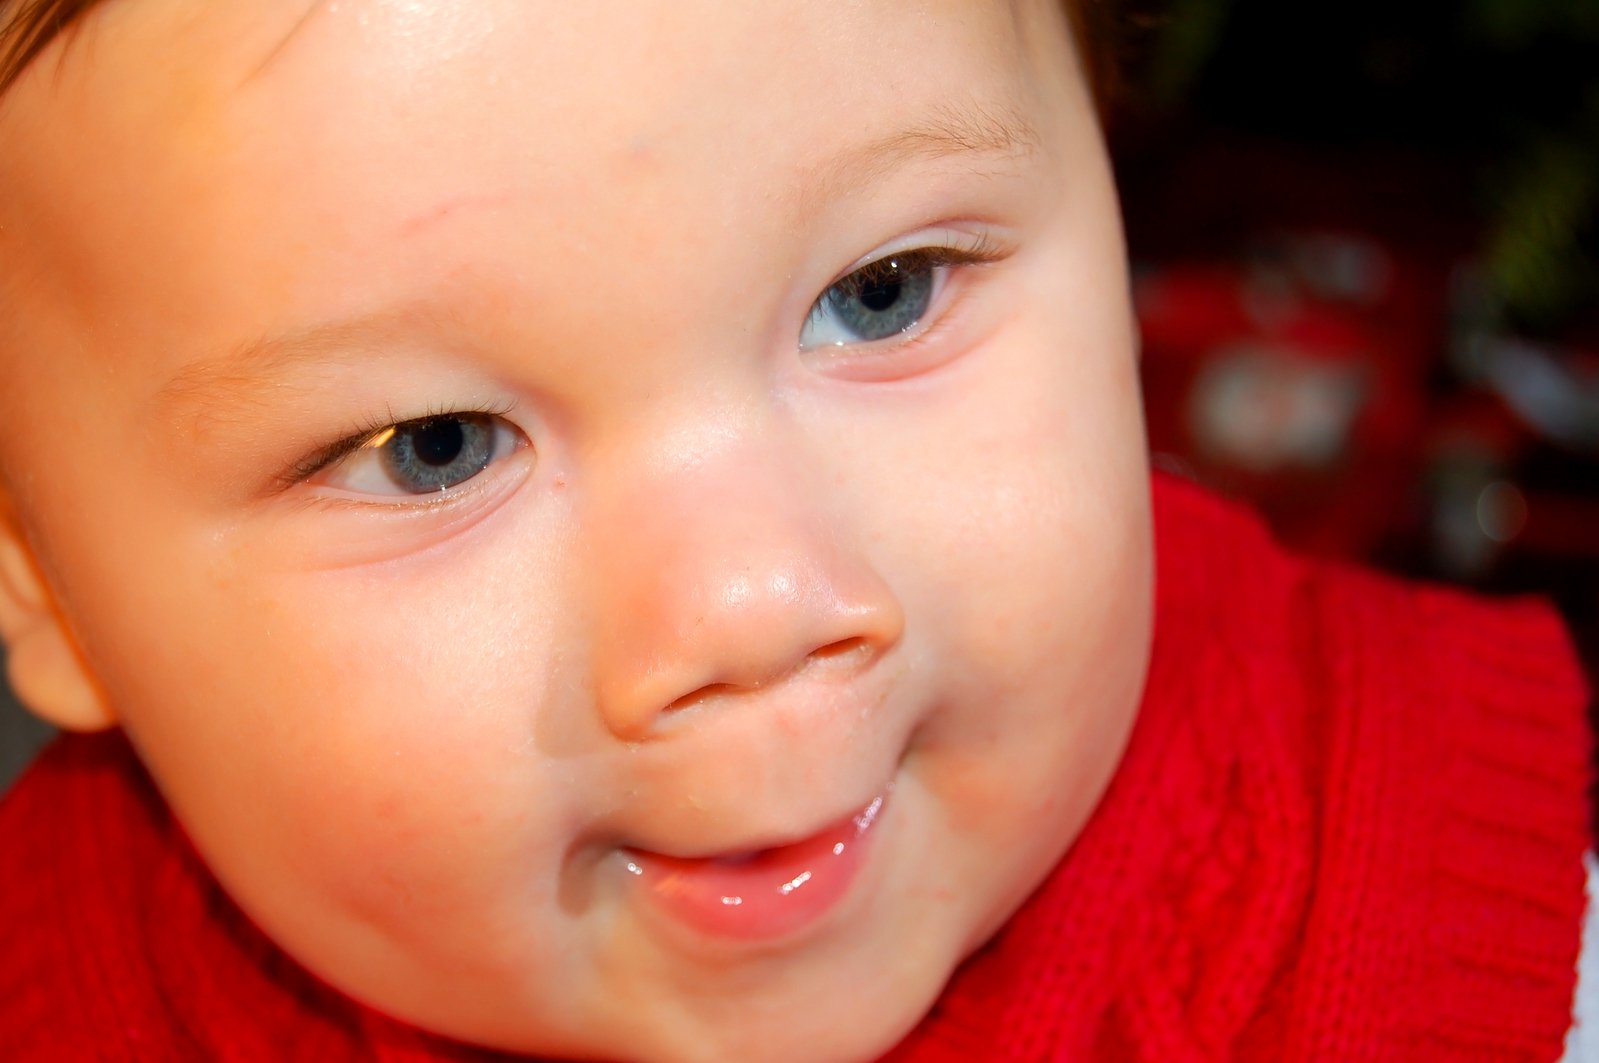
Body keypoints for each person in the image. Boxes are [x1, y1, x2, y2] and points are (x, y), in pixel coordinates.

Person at [0, 1, 1589, 1060]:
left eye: (880, 294)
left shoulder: (1492, 936)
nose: (755, 606)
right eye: (433, 451)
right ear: (43, 584)